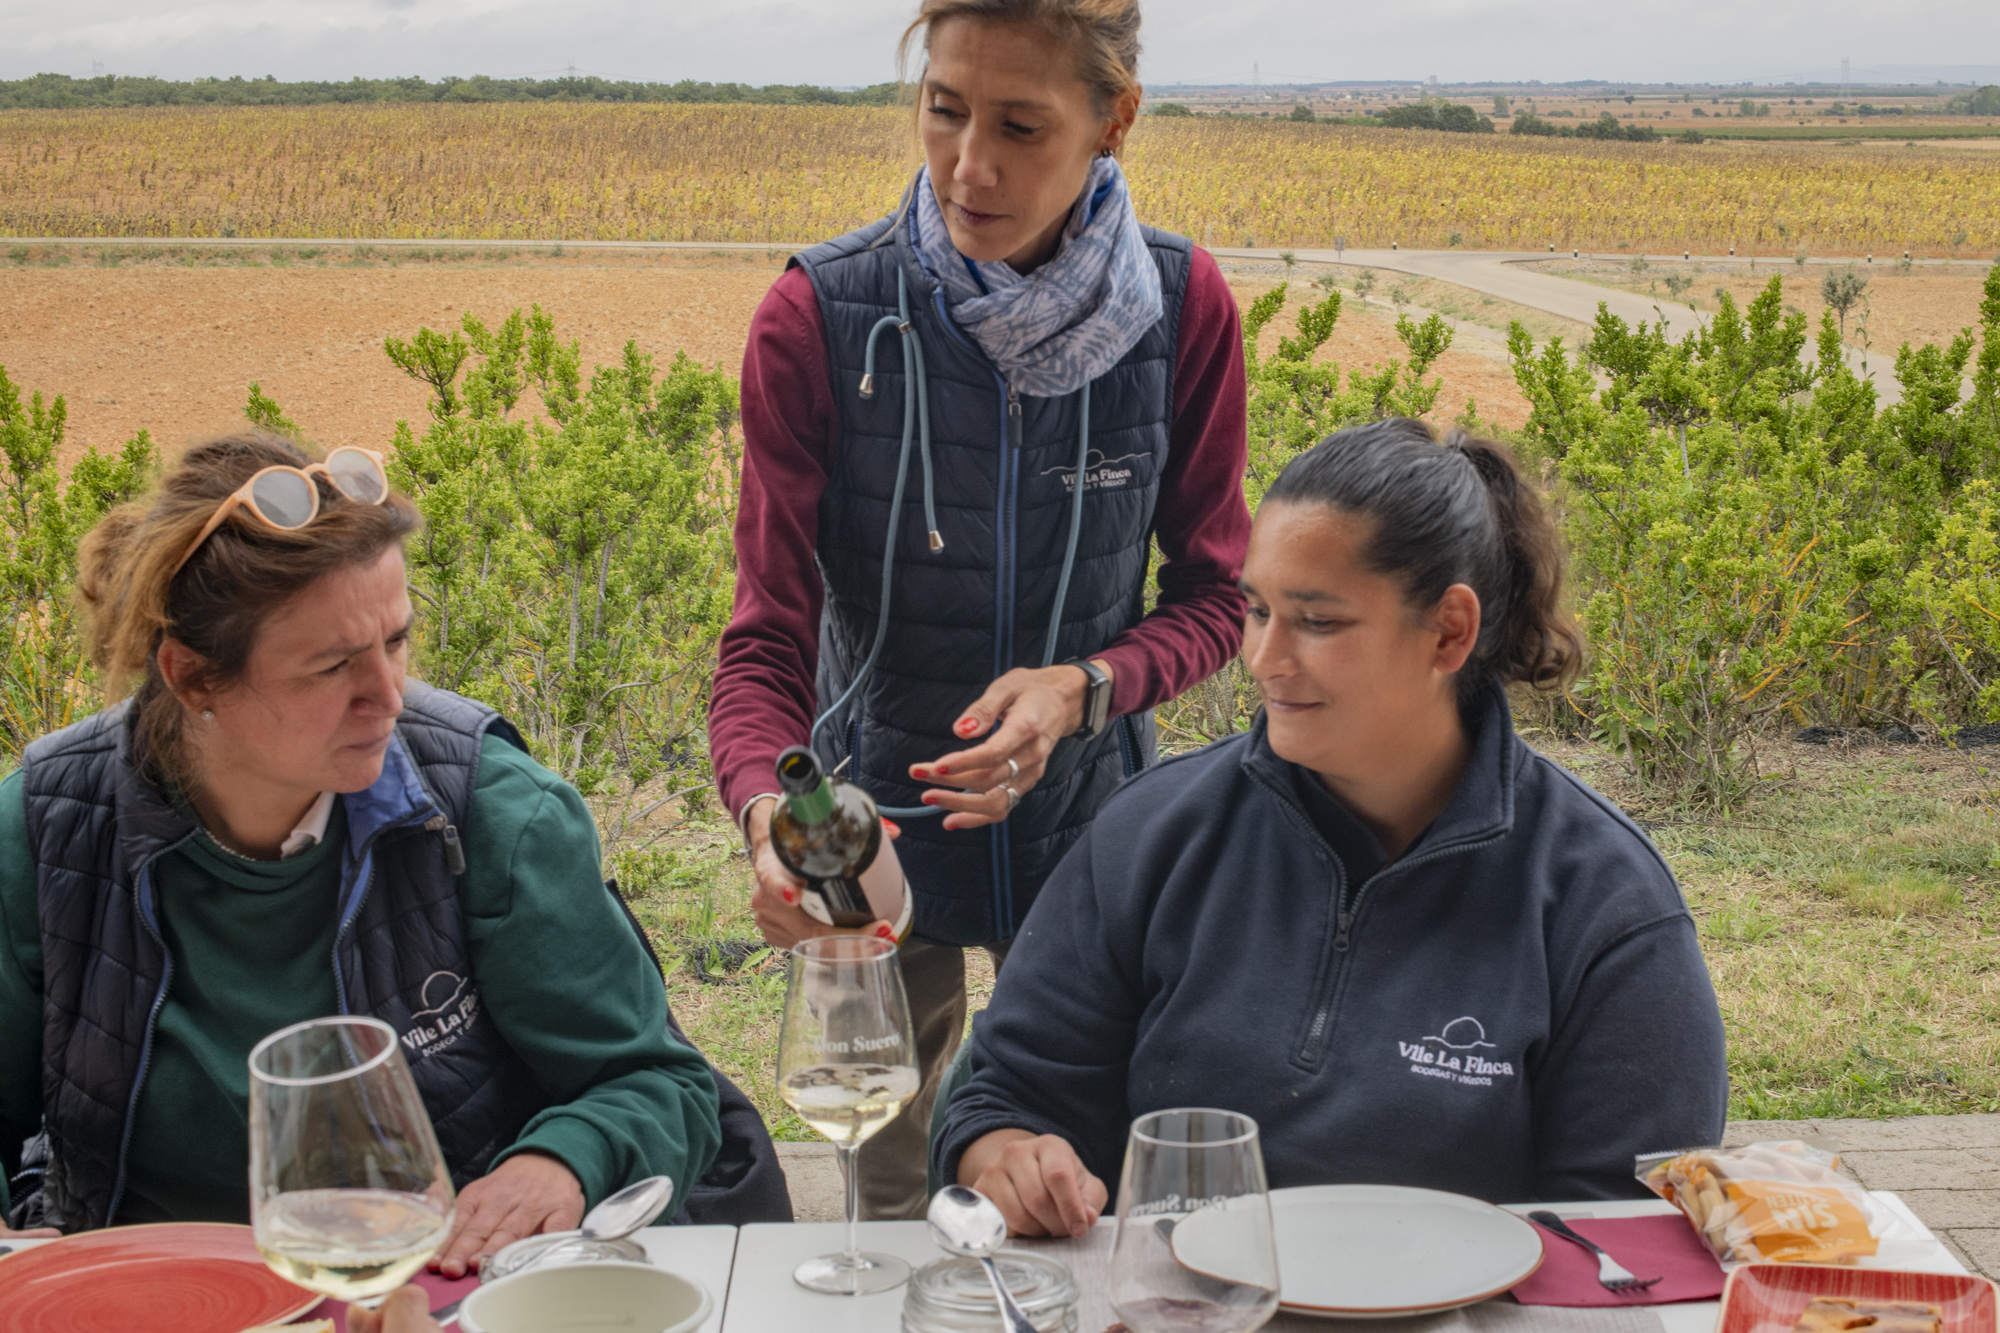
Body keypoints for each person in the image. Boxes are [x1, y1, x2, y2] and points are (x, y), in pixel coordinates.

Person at [709, 0, 1251, 1219]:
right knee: (895, 1201)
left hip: (1093, 833)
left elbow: (1218, 596)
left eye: (1020, 125)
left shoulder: (1181, 307)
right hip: (872, 851)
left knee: (1072, 1191)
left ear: (1114, 122)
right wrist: (768, 818)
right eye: (943, 110)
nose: (968, 166)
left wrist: (1082, 688)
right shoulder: (818, 317)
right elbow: (764, 644)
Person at [0, 433, 788, 1268]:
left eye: (397, 641)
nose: (387, 695)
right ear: (193, 677)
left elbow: (659, 1086)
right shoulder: (45, 831)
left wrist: (560, 1161)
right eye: (335, 665)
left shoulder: (490, 811)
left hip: (441, 1289)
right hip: (154, 1298)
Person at [933, 419, 1732, 1237]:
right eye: (1255, 611)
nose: (1265, 657)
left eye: (1316, 622)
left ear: (1450, 630)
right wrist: (1008, 1156)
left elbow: (1632, 1235)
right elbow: (1004, 1098)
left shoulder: (1606, 902)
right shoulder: (1149, 836)